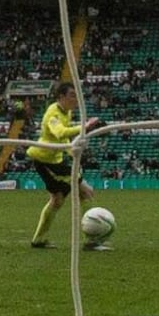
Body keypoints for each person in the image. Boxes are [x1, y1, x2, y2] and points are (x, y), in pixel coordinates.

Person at [27, 82, 104, 251]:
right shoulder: (52, 114)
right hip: (45, 160)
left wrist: (71, 151)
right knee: (84, 191)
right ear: (61, 97)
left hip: (56, 159)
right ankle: (90, 240)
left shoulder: (66, 111)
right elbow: (60, 132)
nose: (75, 99)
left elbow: (63, 139)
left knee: (58, 200)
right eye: (71, 95)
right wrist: (84, 127)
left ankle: (38, 240)